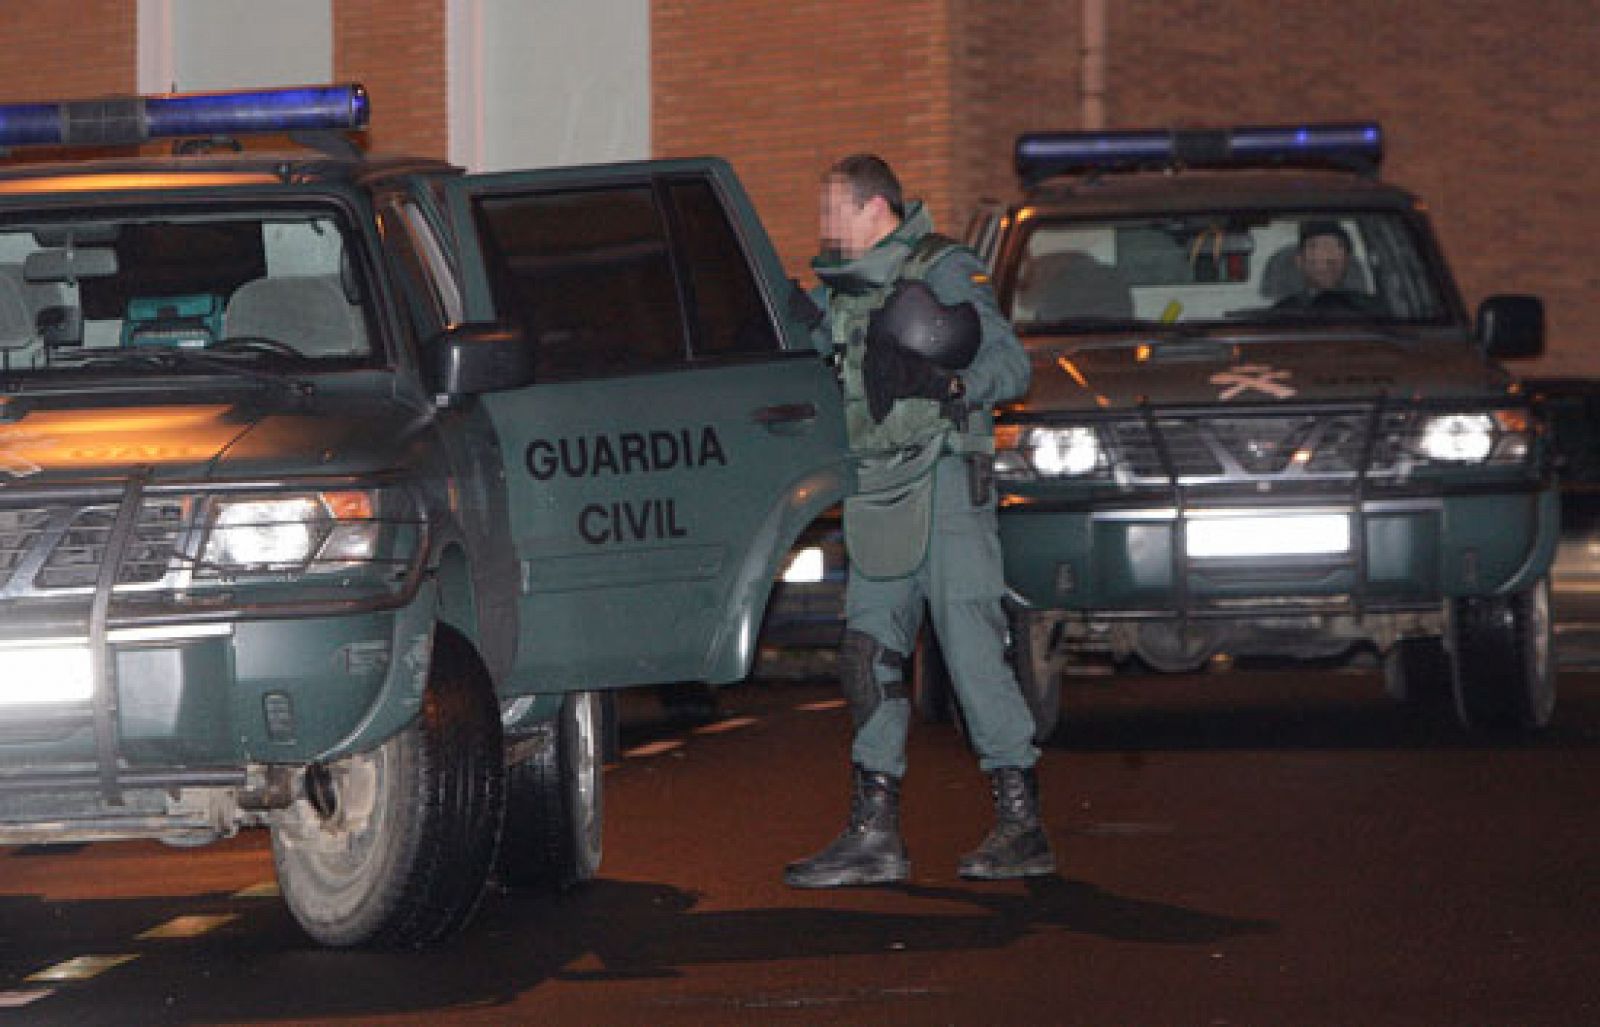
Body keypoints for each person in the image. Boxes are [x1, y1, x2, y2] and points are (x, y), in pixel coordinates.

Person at [785, 153, 1054, 888]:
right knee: (869, 655)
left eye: (832, 211)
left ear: (875, 209)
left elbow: (1010, 363)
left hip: (942, 481)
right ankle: (874, 834)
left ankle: (1021, 821)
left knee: (970, 654)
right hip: (876, 490)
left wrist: (950, 380)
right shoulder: (840, 294)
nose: (823, 228)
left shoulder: (941, 266)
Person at [1273, 220, 1385, 314]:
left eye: (1338, 246)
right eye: (1314, 247)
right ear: (1299, 260)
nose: (1326, 256)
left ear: (1348, 260)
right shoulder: (1280, 316)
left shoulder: (1375, 312)